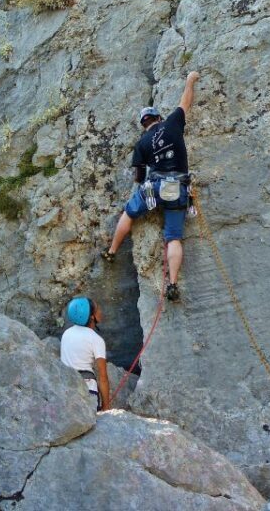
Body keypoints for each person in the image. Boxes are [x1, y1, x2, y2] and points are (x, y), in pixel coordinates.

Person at [102, 71, 201, 301]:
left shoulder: (142, 143)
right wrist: (190, 81)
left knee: (129, 212)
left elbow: (138, 176)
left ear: (143, 124)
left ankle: (112, 251)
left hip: (154, 187)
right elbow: (185, 102)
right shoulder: (173, 123)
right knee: (173, 237)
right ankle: (173, 284)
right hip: (177, 187)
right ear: (158, 118)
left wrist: (144, 184)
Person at [60, 297, 110, 412]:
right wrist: (106, 407)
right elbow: (103, 377)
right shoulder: (96, 339)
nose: (100, 311)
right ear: (92, 317)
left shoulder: (66, 334)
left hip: (66, 387)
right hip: (87, 389)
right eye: (97, 309)